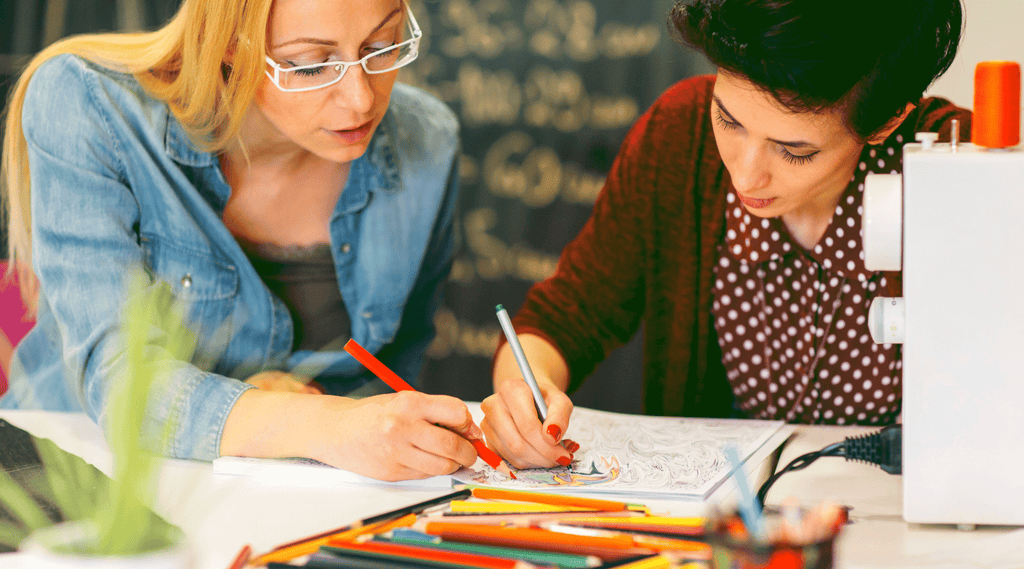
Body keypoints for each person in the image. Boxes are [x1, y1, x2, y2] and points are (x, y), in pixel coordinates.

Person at [0, 0, 480, 482]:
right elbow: (122, 384)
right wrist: (313, 422)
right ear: (230, 43)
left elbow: (391, 378)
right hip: (74, 477)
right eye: (310, 64)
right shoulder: (90, 104)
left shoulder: (428, 142)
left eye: (383, 46)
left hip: (305, 490)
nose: (360, 99)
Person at [481, 0, 970, 469]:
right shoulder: (680, 136)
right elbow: (565, 317)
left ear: (887, 122)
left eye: (795, 151)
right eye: (729, 121)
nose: (746, 176)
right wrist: (525, 396)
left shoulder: (960, 166)